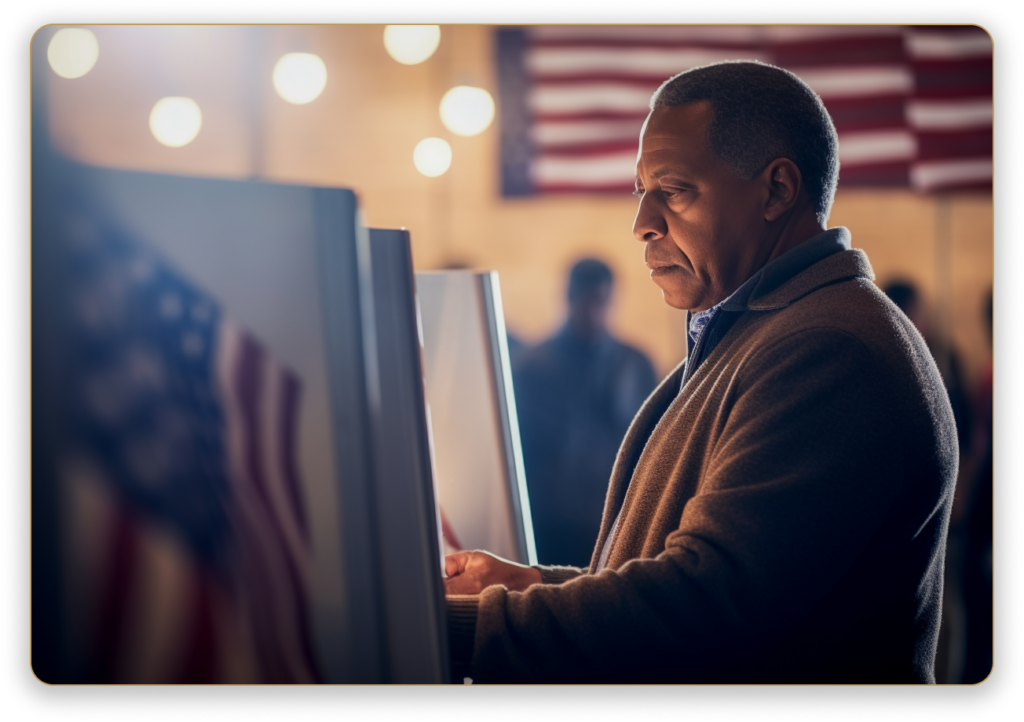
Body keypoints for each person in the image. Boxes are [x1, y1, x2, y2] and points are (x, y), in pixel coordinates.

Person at [443, 61, 958, 684]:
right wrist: (527, 587)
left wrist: (465, 630)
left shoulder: (828, 347)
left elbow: (705, 605)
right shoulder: (766, 328)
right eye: (642, 191)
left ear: (776, 191)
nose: (642, 224)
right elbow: (685, 575)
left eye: (675, 190)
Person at [513, 258, 658, 567]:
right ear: (569, 298)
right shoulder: (529, 367)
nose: (595, 312)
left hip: (615, 526)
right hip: (547, 528)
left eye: (603, 302)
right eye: (587, 301)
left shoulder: (636, 365)